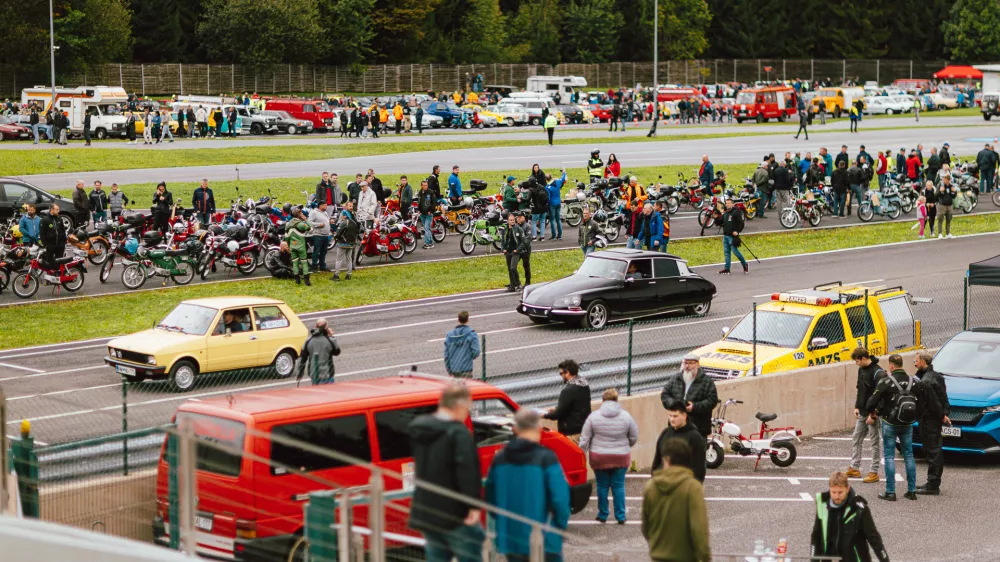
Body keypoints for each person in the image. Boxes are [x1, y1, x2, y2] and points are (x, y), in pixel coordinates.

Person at [408, 383, 484, 562]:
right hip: (454, 513)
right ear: (460, 405)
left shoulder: (419, 428)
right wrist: (473, 505)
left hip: (427, 510)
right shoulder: (458, 433)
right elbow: (467, 471)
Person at [485, 409, 570, 562]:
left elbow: (491, 497)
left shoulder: (500, 459)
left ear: (514, 429)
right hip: (545, 537)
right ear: (539, 428)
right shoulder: (546, 458)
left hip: (512, 538)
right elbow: (561, 499)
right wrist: (559, 526)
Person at [866, 354, 937, 501]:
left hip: (890, 423)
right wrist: (914, 416)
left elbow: (870, 403)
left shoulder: (886, 381)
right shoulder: (914, 382)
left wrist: (874, 413)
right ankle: (911, 491)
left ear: (891, 365)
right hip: (907, 424)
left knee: (889, 456)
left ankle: (890, 491)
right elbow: (924, 402)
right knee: (909, 456)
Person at [641, 438, 711, 562]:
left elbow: (646, 527)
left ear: (666, 460)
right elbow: (699, 528)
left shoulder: (650, 487)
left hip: (658, 556)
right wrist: (705, 556)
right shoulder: (692, 487)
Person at [579, 388, 638, 525]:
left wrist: (581, 453)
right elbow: (634, 436)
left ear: (603, 400)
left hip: (599, 457)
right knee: (618, 486)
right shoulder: (626, 416)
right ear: (617, 400)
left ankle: (603, 514)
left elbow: (584, 439)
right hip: (620, 456)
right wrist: (625, 445)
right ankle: (620, 515)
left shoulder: (593, 417)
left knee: (602, 485)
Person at [811, 471, 889, 562]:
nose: (836, 496)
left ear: (847, 489)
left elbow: (874, 538)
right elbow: (816, 536)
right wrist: (814, 560)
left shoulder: (859, 508)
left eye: (840, 492)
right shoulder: (822, 504)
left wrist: (885, 560)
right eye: (833, 492)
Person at [914, 351, 950, 495]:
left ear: (923, 361)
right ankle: (932, 482)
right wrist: (945, 413)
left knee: (933, 451)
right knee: (933, 449)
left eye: (916, 361)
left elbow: (934, 402)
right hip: (933, 419)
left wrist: (942, 415)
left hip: (929, 419)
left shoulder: (926, 381)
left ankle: (933, 484)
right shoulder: (937, 377)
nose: (915, 363)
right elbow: (943, 397)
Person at [847, 348, 883, 484]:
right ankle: (854, 467)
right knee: (856, 438)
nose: (856, 363)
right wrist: (857, 406)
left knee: (874, 442)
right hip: (862, 412)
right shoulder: (861, 370)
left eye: (857, 361)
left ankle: (874, 472)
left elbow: (880, 397)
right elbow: (860, 390)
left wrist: (873, 415)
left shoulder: (878, 373)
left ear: (863, 358)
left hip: (872, 414)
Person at [660, 354, 718, 438]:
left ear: (697, 364)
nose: (687, 366)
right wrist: (675, 405)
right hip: (677, 427)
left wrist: (694, 407)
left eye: (691, 363)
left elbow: (712, 401)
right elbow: (665, 395)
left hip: (698, 427)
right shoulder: (675, 379)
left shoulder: (706, 381)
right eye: (685, 363)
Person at [652, 399, 707, 482]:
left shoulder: (695, 437)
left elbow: (699, 467)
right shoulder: (665, 433)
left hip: (684, 487)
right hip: (663, 484)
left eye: (675, 416)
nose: (672, 419)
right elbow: (657, 460)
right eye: (670, 416)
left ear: (684, 416)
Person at [543, 359, 591, 442]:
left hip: (572, 432)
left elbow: (557, 415)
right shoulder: (584, 385)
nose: (561, 376)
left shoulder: (568, 390)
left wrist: (543, 415)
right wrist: (557, 408)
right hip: (583, 429)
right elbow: (576, 405)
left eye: (561, 373)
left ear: (567, 373)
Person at [295, 319, 341, 385]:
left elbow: (302, 359)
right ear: (326, 327)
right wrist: (331, 336)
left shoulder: (308, 341)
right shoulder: (330, 340)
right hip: (328, 374)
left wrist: (299, 374)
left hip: (314, 375)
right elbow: (337, 352)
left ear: (315, 326)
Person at [443, 311, 481, 378]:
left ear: (458, 319)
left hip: (454, 369)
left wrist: (449, 369)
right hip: (466, 368)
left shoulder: (449, 335)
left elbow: (446, 355)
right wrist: (468, 357)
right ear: (468, 320)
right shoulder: (471, 334)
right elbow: (476, 351)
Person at [719, 198, 748, 275]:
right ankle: (727, 268)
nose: (727, 204)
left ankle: (745, 264)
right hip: (725, 235)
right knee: (726, 253)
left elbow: (742, 223)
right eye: (726, 203)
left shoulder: (735, 213)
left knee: (736, 252)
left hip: (732, 236)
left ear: (732, 204)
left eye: (728, 203)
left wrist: (737, 231)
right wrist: (715, 217)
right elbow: (720, 222)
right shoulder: (725, 213)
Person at [331, 201, 358, 281]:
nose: (351, 207)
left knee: (339, 259)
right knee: (349, 259)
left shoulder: (345, 217)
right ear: (346, 206)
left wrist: (336, 236)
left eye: (352, 206)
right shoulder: (353, 216)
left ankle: (336, 275)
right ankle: (349, 275)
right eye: (350, 206)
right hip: (351, 241)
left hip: (343, 242)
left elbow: (340, 227)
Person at [285, 209, 312, 286]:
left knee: (295, 263)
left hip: (292, 246)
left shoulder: (288, 224)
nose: (303, 214)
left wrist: (289, 245)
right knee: (304, 262)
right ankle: (306, 281)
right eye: (301, 213)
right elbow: (311, 229)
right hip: (301, 246)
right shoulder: (301, 224)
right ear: (299, 215)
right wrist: (306, 220)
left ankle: (297, 280)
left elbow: (286, 237)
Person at [308, 202, 331, 272]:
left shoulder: (325, 213)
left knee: (324, 252)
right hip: (318, 235)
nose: (326, 206)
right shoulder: (314, 213)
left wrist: (330, 222)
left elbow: (326, 221)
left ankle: (322, 266)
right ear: (320, 206)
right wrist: (318, 225)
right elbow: (309, 223)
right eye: (325, 205)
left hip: (326, 235)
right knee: (316, 251)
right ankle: (314, 266)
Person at [546, 170, 566, 241]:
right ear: (552, 177)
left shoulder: (547, 187)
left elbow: (548, 198)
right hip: (558, 203)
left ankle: (554, 235)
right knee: (558, 220)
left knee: (552, 220)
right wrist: (563, 172)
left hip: (552, 204)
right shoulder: (558, 182)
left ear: (546, 179)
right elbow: (563, 178)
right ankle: (560, 235)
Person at [417, 180, 436, 250]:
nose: (425, 186)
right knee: (427, 228)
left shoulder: (431, 192)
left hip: (429, 214)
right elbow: (419, 202)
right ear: (421, 186)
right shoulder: (420, 192)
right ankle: (431, 242)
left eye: (426, 185)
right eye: (424, 185)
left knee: (426, 228)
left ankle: (426, 243)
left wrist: (431, 211)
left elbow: (434, 202)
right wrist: (418, 210)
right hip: (422, 214)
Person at [936, 175, 956, 239]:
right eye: (943, 179)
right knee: (940, 219)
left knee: (949, 219)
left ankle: (948, 233)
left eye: (946, 180)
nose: (944, 181)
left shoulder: (951, 186)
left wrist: (954, 192)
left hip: (949, 205)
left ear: (949, 180)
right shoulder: (940, 185)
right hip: (942, 205)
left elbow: (954, 196)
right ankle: (940, 233)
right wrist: (940, 191)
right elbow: (936, 195)